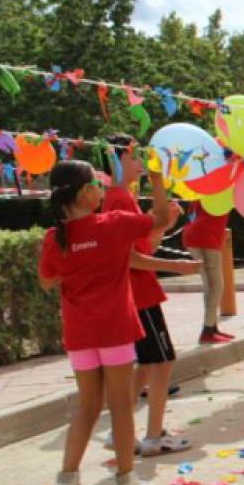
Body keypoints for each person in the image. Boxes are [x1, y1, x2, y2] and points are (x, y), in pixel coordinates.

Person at [39, 160, 171, 485]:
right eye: (97, 184)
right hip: (114, 328)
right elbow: (161, 218)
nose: (102, 189)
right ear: (85, 192)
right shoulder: (114, 224)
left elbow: (47, 281)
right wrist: (156, 178)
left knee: (87, 405)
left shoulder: (54, 238)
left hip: (79, 332)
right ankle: (127, 481)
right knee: (120, 405)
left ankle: (67, 480)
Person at [100, 138, 201, 456]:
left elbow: (145, 247)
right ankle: (154, 435)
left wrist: (164, 225)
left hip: (140, 292)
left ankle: (121, 432)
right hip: (138, 294)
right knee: (163, 361)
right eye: (133, 157)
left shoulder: (124, 198)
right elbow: (128, 257)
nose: (140, 163)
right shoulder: (117, 199)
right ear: (116, 162)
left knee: (146, 364)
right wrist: (177, 266)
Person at [182, 201, 232, 344]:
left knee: (209, 285)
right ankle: (207, 330)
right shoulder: (223, 191)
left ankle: (212, 327)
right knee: (216, 285)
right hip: (207, 237)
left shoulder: (202, 190)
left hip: (191, 235)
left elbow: (191, 214)